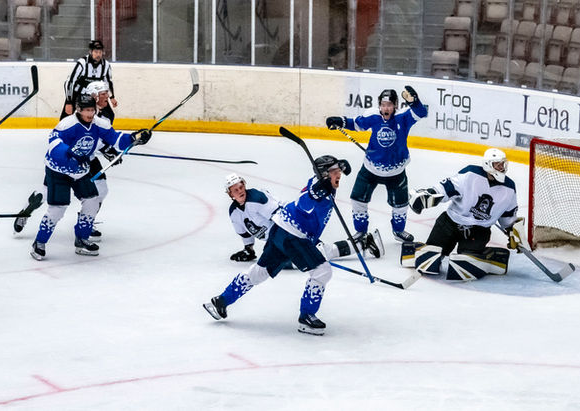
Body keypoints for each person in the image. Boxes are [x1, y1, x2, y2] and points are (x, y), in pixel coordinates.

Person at [203, 156, 381, 335]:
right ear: (325, 174)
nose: (339, 174)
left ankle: (221, 301)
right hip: (293, 235)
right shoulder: (316, 187)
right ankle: (307, 316)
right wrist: (315, 192)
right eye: (335, 171)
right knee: (322, 271)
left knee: (260, 271)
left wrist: (340, 165)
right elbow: (303, 203)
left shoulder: (324, 184)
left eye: (339, 171)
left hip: (281, 230)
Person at [30, 94, 151, 260]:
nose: (90, 114)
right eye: (86, 110)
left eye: (92, 110)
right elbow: (53, 144)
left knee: (92, 201)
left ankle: (82, 239)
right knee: (58, 209)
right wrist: (69, 153)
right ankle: (39, 242)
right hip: (58, 170)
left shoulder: (99, 124)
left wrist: (133, 138)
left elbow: (115, 139)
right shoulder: (67, 124)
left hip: (80, 170)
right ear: (78, 110)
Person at [325, 85, 428, 243]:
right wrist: (341, 121)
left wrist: (414, 102)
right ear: (379, 105)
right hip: (370, 169)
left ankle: (398, 231)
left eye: (389, 105)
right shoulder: (373, 116)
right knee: (358, 200)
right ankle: (361, 231)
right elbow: (357, 124)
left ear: (395, 105)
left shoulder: (403, 117)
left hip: (396, 172)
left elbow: (421, 112)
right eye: (383, 105)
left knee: (400, 205)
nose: (386, 108)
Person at [14, 81, 116, 239]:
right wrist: (104, 149)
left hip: (88, 160)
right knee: (46, 192)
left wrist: (110, 148)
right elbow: (70, 139)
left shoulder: (107, 114)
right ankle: (27, 210)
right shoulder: (76, 117)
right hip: (67, 160)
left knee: (101, 190)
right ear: (94, 96)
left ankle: (87, 222)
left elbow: (101, 137)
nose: (107, 96)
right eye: (103, 94)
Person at [403, 148, 523, 281]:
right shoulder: (471, 174)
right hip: (450, 223)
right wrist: (430, 194)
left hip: (478, 231)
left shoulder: (509, 188)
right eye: (497, 164)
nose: (501, 167)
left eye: (502, 164)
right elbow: (448, 187)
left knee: (466, 260)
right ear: (488, 164)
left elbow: (508, 216)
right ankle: (421, 251)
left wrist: (514, 232)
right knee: (432, 254)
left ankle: (487, 258)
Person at [62, 40, 117, 119]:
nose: (98, 55)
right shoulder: (82, 63)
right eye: (96, 52)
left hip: (94, 95)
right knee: (66, 118)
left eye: (100, 52)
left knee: (109, 115)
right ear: (91, 52)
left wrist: (112, 97)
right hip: (77, 94)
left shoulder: (106, 65)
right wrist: (69, 102)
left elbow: (108, 82)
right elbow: (70, 82)